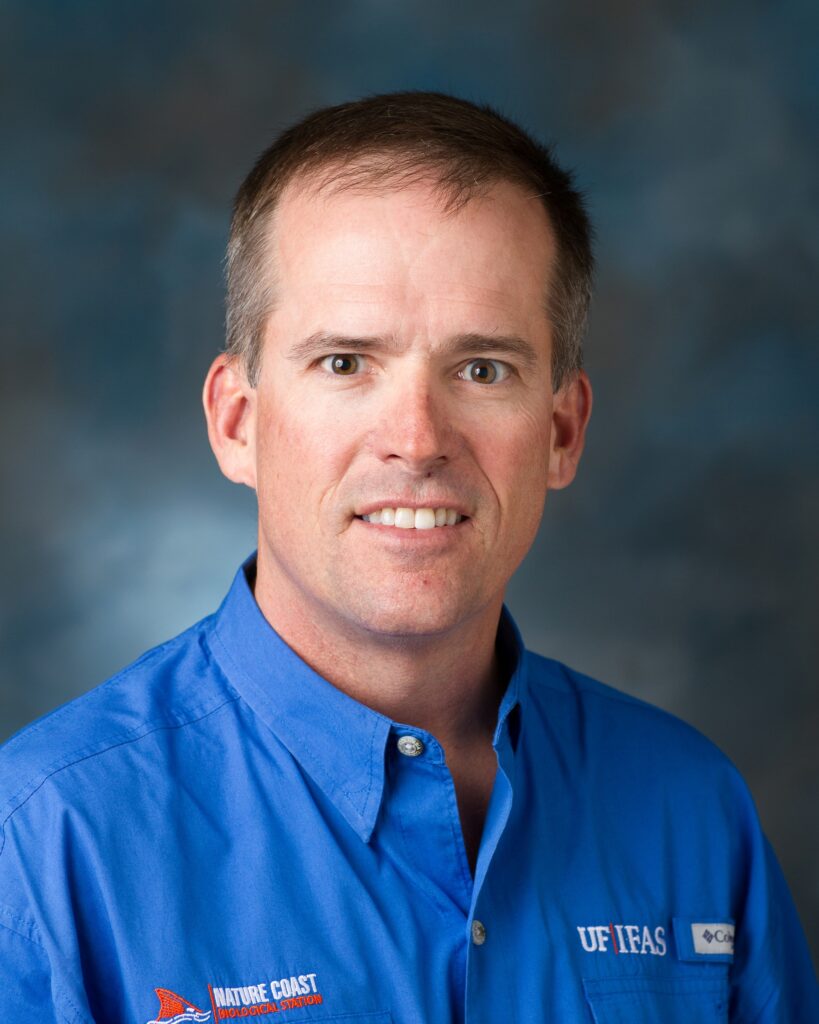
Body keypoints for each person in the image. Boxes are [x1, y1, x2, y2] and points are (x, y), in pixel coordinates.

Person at [0, 92, 815, 1024]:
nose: (417, 439)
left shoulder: (691, 811)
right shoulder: (45, 846)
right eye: (345, 362)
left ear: (560, 429)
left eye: (482, 369)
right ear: (238, 422)